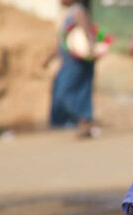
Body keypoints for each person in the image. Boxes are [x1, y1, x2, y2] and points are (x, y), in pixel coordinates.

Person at [44, 0, 97, 138]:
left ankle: (84, 121)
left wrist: (91, 49)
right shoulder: (68, 13)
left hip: (77, 62)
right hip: (68, 62)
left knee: (68, 91)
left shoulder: (78, 10)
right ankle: (80, 122)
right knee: (62, 90)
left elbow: (87, 31)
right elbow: (63, 42)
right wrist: (49, 58)